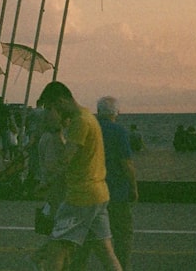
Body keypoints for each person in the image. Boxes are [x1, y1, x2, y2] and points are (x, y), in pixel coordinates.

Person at [27, 81, 122, 271]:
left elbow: (65, 159)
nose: (52, 112)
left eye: (51, 108)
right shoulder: (88, 116)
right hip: (99, 194)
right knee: (106, 252)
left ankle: (38, 259)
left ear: (61, 101)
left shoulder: (80, 121)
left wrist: (55, 130)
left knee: (57, 249)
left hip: (80, 197)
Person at [72, 96, 138, 271]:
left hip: (89, 192)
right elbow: (127, 164)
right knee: (122, 235)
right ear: (116, 112)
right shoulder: (119, 132)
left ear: (99, 111)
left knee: (85, 237)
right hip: (116, 192)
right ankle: (121, 267)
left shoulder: (88, 128)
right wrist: (133, 187)